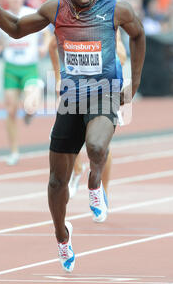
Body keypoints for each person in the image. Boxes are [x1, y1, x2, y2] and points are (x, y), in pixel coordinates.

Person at [0, 0, 145, 273]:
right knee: (56, 181)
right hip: (71, 100)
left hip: (104, 93)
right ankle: (62, 234)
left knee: (97, 147)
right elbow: (16, 28)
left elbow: (138, 35)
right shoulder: (55, 10)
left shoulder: (116, 9)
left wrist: (136, 82)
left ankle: (94, 183)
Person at [48, 29, 127, 199]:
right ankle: (77, 169)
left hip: (103, 91)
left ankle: (102, 191)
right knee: (63, 136)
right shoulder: (68, 20)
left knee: (101, 145)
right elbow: (52, 46)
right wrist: (57, 78)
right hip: (75, 88)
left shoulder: (109, 21)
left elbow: (122, 57)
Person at [0, 0, 51, 166]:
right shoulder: (0, 16)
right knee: (11, 111)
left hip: (29, 67)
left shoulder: (31, 13)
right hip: (11, 69)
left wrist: (44, 46)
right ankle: (14, 151)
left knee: (30, 105)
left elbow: (46, 36)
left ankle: (30, 112)